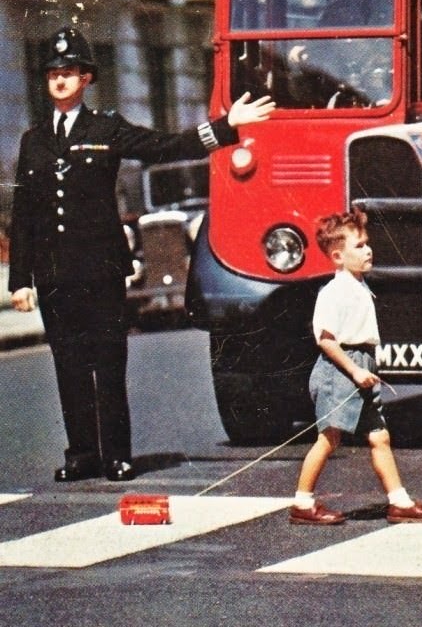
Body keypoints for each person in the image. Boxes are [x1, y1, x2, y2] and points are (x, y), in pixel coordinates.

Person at [9, 26, 275, 483]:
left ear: (86, 79)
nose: (60, 80)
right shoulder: (33, 140)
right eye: (53, 73)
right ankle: (81, 455)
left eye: (69, 72)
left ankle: (116, 454)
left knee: (107, 365)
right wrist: (20, 280)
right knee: (69, 367)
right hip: (55, 276)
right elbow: (26, 214)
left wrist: (227, 128)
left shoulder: (106, 128)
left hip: (101, 270)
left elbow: (165, 147)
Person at [289, 208, 422, 525]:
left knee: (379, 437)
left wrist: (368, 365)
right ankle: (302, 504)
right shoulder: (333, 292)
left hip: (361, 364)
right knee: (329, 438)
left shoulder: (359, 286)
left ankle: (399, 501)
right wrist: (356, 370)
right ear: (337, 256)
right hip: (340, 370)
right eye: (359, 246)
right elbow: (326, 340)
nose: (368, 249)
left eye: (367, 243)